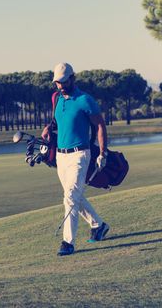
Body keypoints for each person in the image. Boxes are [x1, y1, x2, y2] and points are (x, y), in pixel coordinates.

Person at [41, 62, 110, 256]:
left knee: (70, 197)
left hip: (80, 155)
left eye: (63, 82)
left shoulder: (85, 100)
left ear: (72, 78)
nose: (60, 86)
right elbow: (58, 121)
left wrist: (103, 153)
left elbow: (100, 127)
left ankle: (68, 242)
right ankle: (98, 225)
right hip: (61, 157)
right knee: (74, 196)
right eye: (57, 82)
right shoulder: (57, 98)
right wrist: (49, 128)